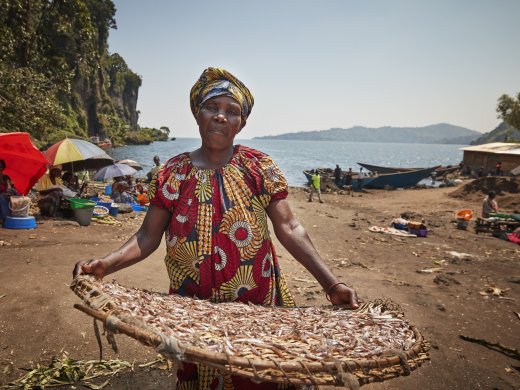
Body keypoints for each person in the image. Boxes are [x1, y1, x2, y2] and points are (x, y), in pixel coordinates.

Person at [73, 67, 359, 389]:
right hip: (190, 311)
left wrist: (332, 284)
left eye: (231, 111)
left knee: (256, 376)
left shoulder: (258, 167)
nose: (221, 117)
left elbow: (290, 227)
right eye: (212, 107)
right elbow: (147, 236)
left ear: (242, 123)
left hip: (255, 308)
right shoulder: (172, 172)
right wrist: (106, 264)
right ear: (198, 113)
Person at [0, 159, 18, 224]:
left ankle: (6, 218)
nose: (0, 169)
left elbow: (10, 189)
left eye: (1, 167)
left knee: (2, 197)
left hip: (5, 196)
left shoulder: (6, 177)